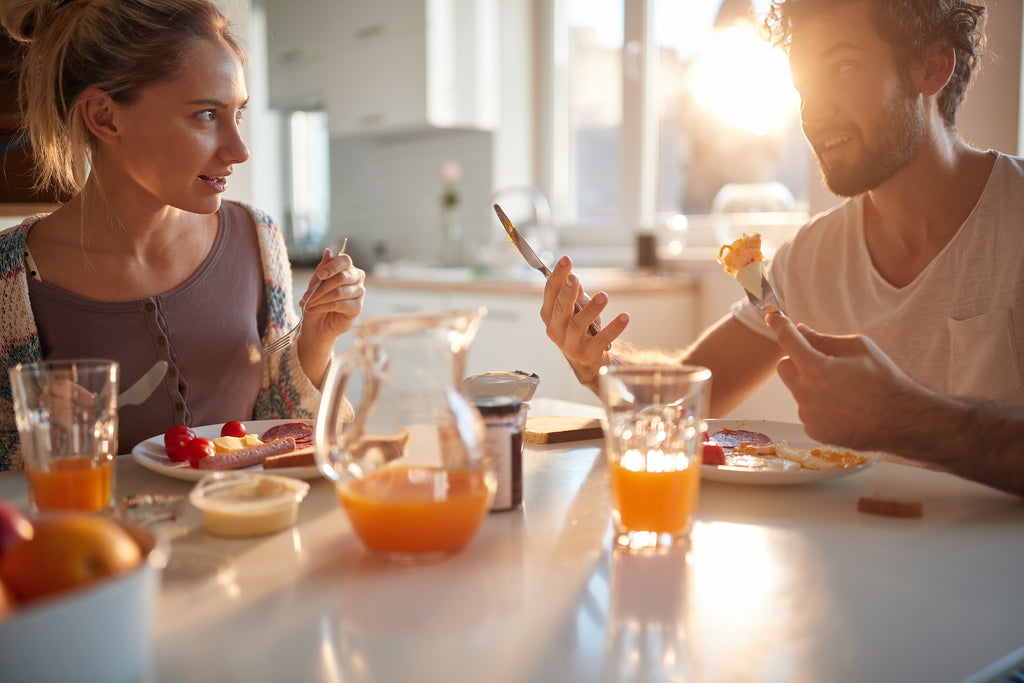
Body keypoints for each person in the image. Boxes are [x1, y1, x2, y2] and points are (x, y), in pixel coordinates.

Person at [539, 0, 1024, 496]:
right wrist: (598, 363)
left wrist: (907, 418)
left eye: (843, 66)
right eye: (803, 85)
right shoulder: (811, 259)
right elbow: (687, 399)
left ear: (933, 65)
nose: (815, 112)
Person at [0, 0, 365, 470]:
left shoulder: (257, 238)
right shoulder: (11, 277)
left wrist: (317, 337)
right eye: (207, 115)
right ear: (105, 117)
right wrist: (45, 439)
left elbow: (274, 433)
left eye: (238, 114)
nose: (239, 150)